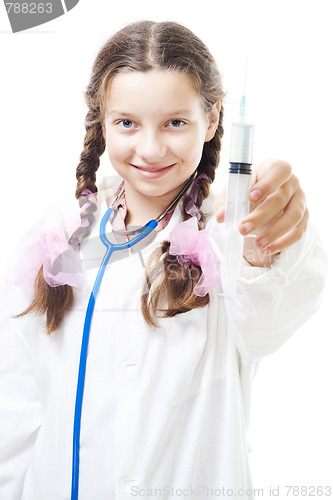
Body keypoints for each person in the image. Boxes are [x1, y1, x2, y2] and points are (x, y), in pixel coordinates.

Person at [0, 20, 326, 500]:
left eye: (175, 122)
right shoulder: (62, 233)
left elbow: (270, 317)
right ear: (101, 122)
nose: (150, 148)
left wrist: (266, 248)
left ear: (213, 119)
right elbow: (17, 404)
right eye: (127, 122)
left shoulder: (230, 232)